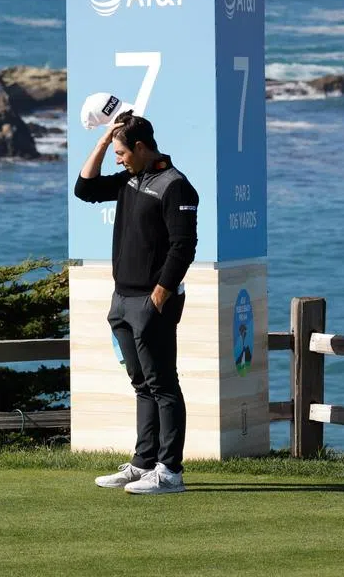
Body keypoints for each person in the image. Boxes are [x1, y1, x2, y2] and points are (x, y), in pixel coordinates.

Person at [74, 110, 199, 495]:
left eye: (121, 152)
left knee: (163, 385)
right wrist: (101, 141)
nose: (118, 158)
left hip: (151, 301)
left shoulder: (175, 185)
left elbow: (183, 247)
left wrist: (159, 296)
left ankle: (170, 471)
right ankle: (144, 463)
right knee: (142, 384)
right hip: (122, 299)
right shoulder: (132, 178)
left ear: (141, 148)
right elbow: (85, 189)